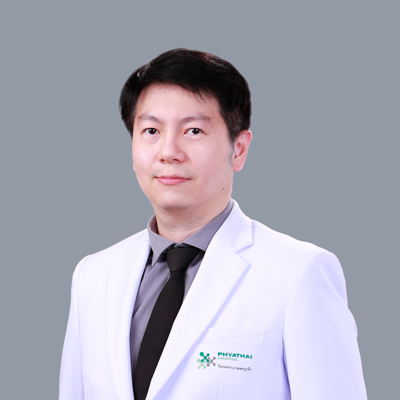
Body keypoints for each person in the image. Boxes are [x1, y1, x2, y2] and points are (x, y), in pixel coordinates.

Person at [59, 49, 367, 400]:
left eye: (193, 130)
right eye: (151, 130)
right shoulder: (93, 276)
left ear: (239, 149)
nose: (168, 151)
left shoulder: (298, 273)